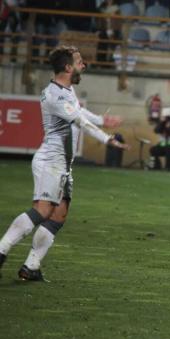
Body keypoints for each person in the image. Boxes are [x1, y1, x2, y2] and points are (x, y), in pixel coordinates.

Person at [0, 45, 127, 281]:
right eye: (79, 62)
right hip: (51, 161)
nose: (84, 65)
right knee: (43, 209)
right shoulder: (54, 94)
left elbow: (80, 112)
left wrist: (102, 119)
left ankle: (31, 267)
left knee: (58, 215)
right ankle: (1, 249)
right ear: (68, 67)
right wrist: (107, 139)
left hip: (62, 165)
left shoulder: (66, 91)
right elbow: (80, 121)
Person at [149, 107, 170, 171]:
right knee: (153, 149)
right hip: (163, 146)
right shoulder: (162, 124)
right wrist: (161, 123)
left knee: (168, 149)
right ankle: (156, 166)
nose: (166, 119)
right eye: (164, 117)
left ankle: (169, 167)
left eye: (167, 117)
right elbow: (156, 131)